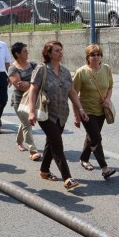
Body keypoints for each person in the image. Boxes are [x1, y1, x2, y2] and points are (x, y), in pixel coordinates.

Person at [28, 41, 88, 191]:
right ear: (48, 53)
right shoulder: (41, 70)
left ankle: (44, 170)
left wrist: (80, 109)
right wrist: (31, 111)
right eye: (56, 51)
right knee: (57, 144)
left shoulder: (65, 72)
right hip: (46, 113)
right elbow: (33, 90)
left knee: (51, 142)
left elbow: (72, 92)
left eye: (61, 50)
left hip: (62, 114)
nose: (60, 53)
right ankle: (67, 177)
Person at [72, 44, 116, 179]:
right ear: (87, 57)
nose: (96, 57)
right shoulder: (81, 72)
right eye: (93, 55)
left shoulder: (106, 69)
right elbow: (73, 94)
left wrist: (108, 99)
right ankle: (104, 168)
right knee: (96, 138)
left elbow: (110, 87)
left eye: (98, 54)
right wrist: (76, 115)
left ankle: (84, 159)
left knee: (92, 137)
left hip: (101, 111)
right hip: (86, 111)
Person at [8, 42, 41, 161]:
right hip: (20, 101)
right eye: (24, 51)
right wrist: (33, 84)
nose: (27, 53)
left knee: (24, 123)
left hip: (32, 99)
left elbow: (41, 80)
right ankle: (33, 151)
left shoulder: (33, 65)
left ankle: (19, 141)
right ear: (17, 54)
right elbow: (19, 86)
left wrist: (28, 84)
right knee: (27, 123)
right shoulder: (13, 68)